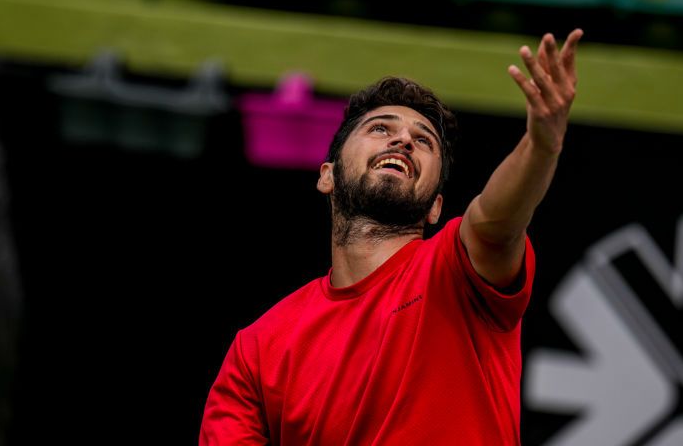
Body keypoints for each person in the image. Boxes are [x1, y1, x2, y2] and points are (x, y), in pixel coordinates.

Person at [200, 30, 583, 445]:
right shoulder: (258, 347)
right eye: (380, 129)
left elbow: (495, 219)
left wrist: (541, 146)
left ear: (436, 206)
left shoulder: (457, 270)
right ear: (327, 175)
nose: (403, 140)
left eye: (423, 141)